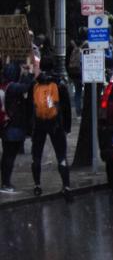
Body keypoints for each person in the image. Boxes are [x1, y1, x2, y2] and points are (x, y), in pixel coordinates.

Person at [29, 56, 72, 200]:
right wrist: (67, 126)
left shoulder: (35, 84)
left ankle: (37, 185)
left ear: (41, 66)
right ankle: (66, 186)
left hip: (39, 123)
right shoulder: (59, 83)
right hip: (56, 124)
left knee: (37, 156)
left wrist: (31, 126)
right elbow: (66, 107)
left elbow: (31, 107)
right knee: (61, 155)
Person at [2, 64, 31, 193]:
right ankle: (5, 183)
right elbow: (27, 87)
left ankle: (5, 181)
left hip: (7, 125)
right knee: (9, 156)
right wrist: (27, 74)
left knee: (8, 155)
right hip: (12, 126)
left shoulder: (5, 85)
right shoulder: (12, 87)